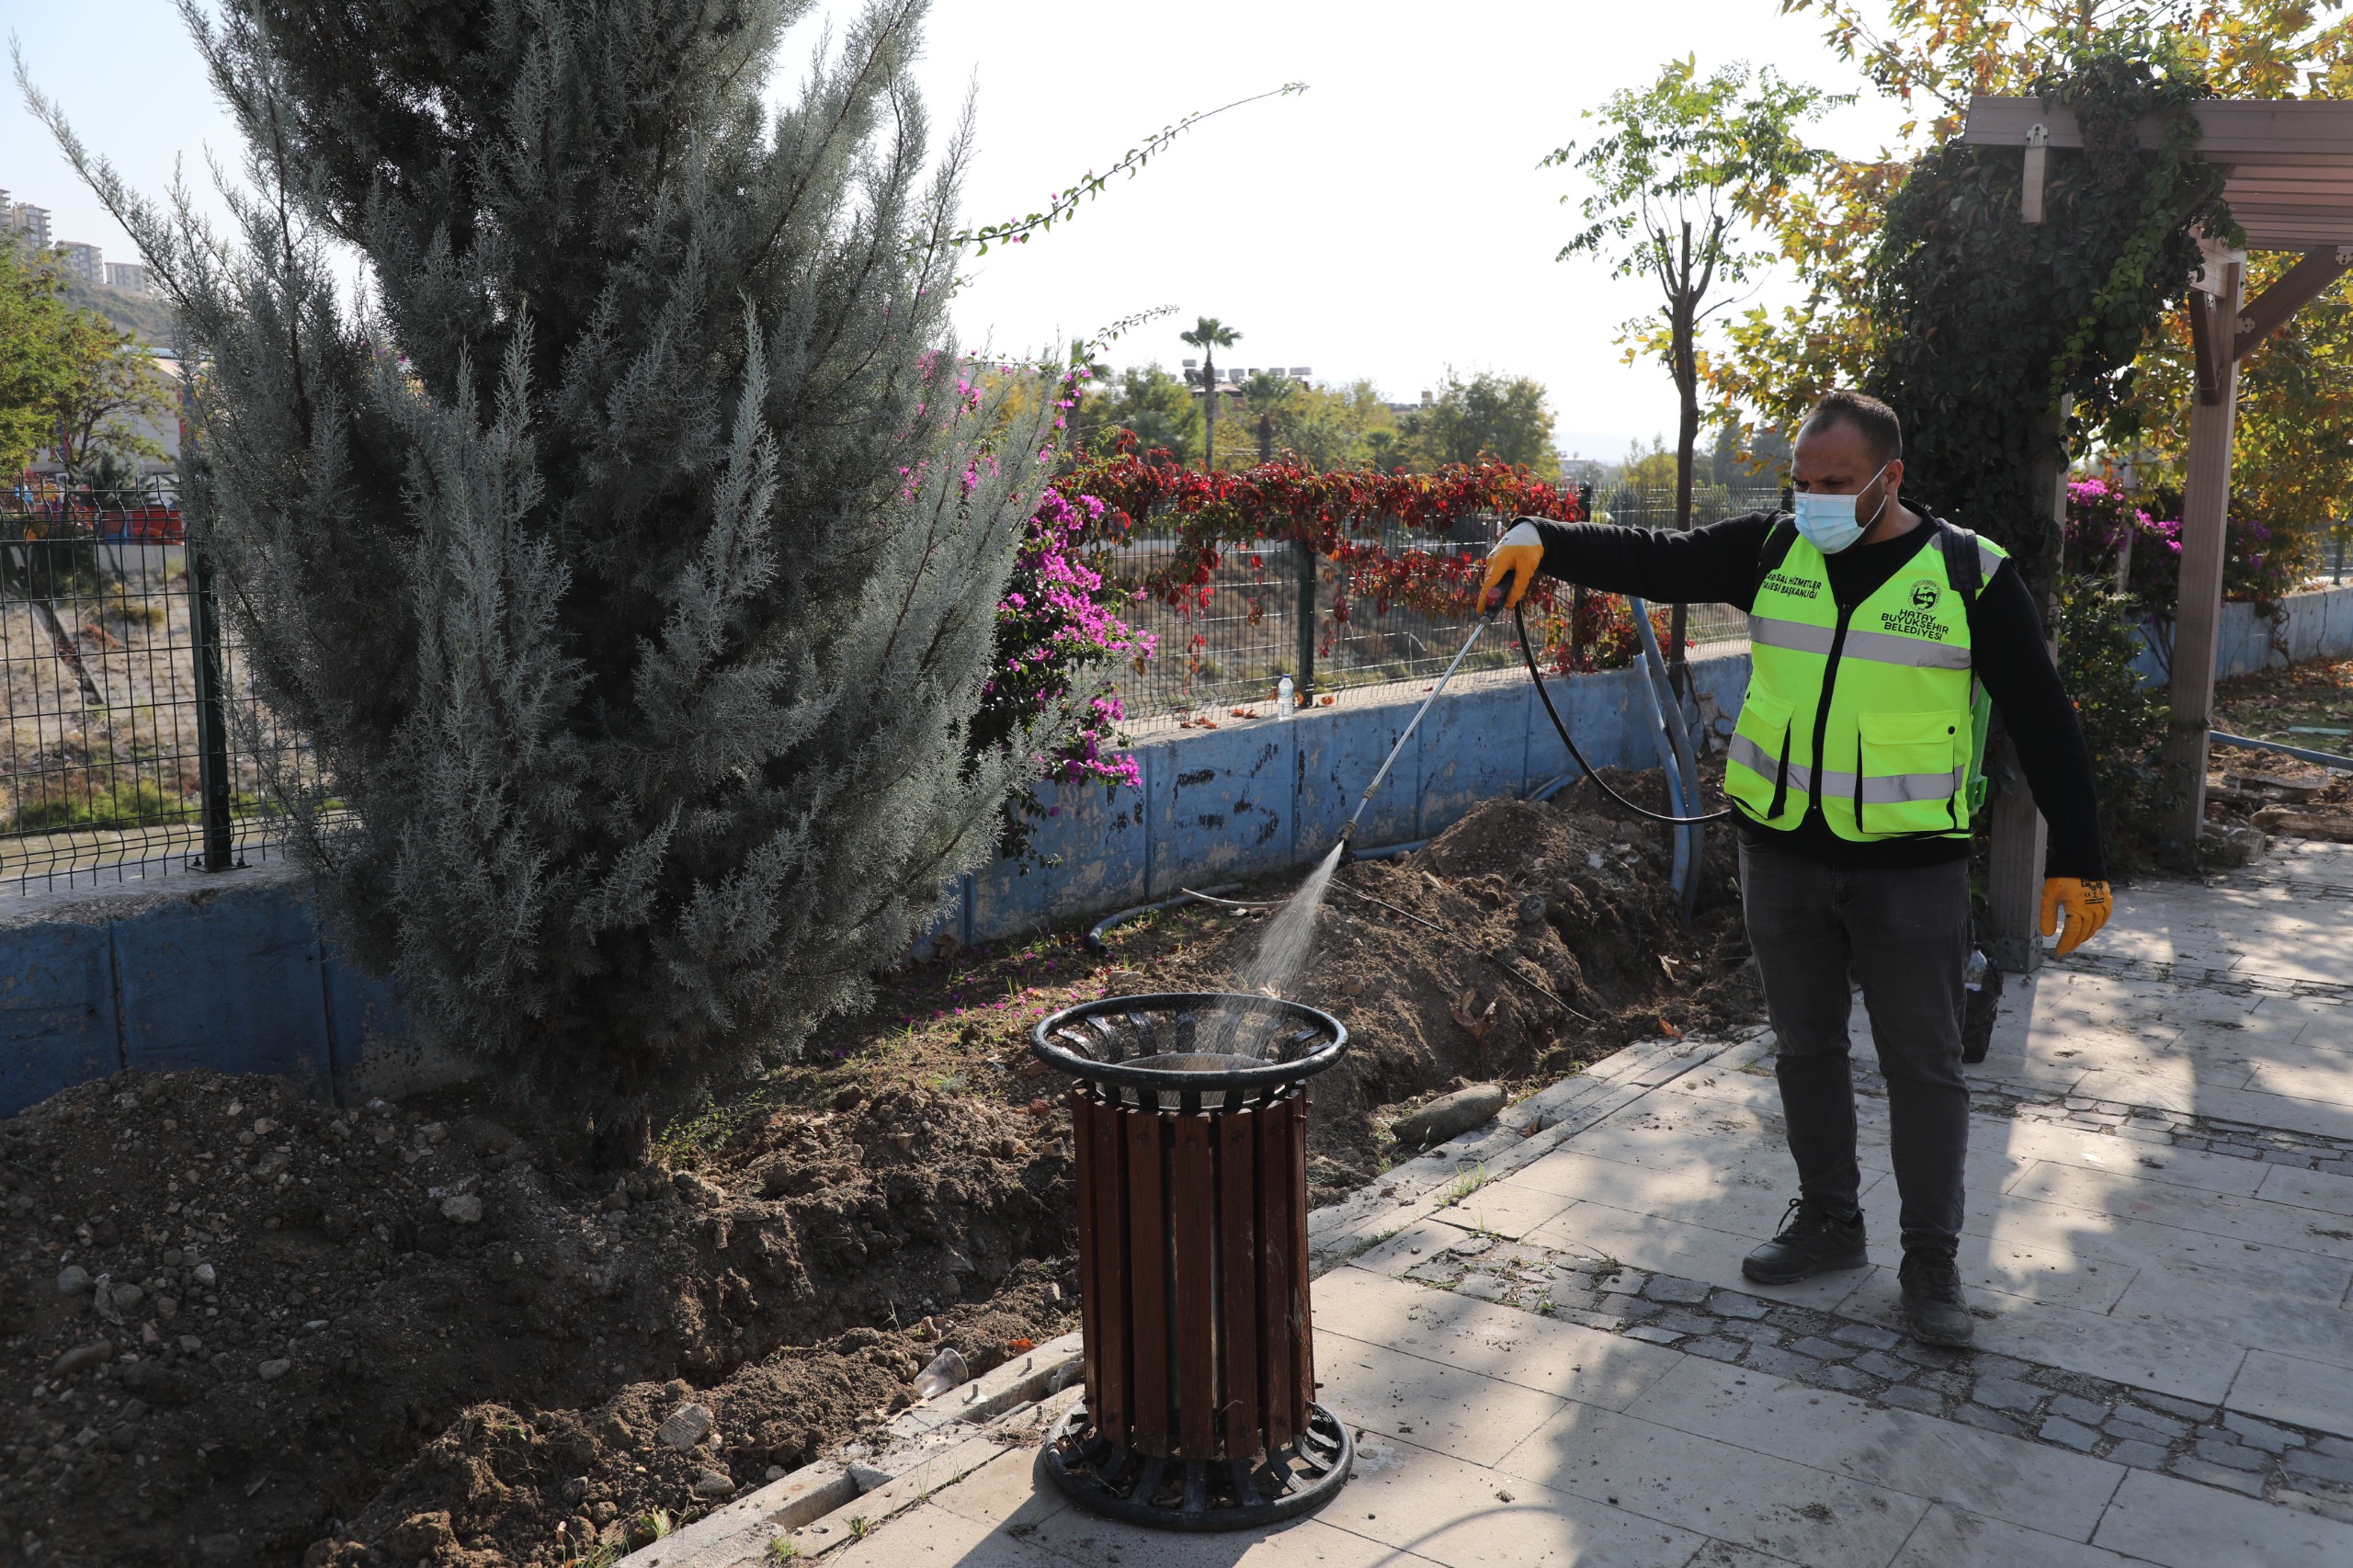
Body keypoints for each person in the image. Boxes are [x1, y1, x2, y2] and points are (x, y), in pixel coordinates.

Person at [1479, 390, 2111, 1346]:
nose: (1812, 498)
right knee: (1805, 1046)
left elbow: (2043, 714)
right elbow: (1657, 556)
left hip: (1910, 869)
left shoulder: (1967, 573)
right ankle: (1827, 1219)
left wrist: (2081, 853)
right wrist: (1541, 535)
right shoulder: (1773, 550)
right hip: (1779, 853)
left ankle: (1930, 1260)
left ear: (1889, 478)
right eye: (1801, 481)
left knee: (1923, 1066)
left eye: (1835, 483)